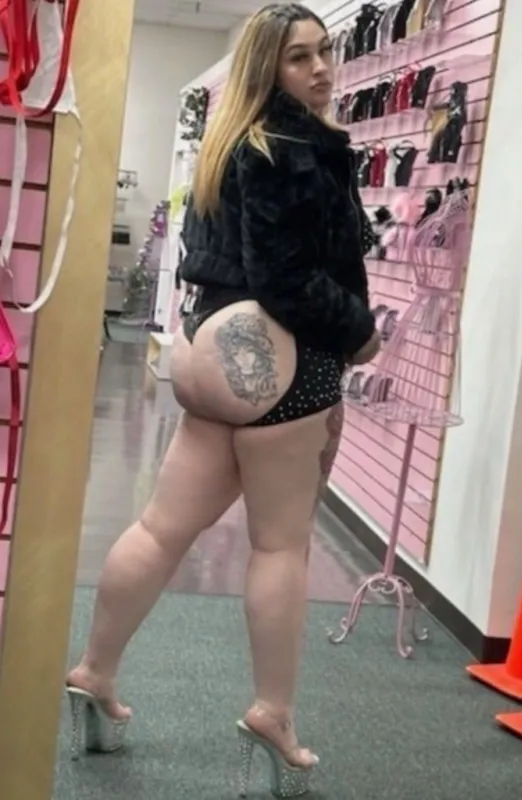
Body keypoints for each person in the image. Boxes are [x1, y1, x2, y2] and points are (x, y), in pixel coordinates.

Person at [66, 3, 380, 796]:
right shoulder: (293, 150)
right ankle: (273, 713)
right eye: (299, 57)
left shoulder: (227, 141)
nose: (320, 69)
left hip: (212, 350)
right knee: (280, 547)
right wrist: (359, 333)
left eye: (324, 51)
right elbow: (290, 281)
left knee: (160, 528)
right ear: (267, 68)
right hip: (284, 361)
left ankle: (94, 669)